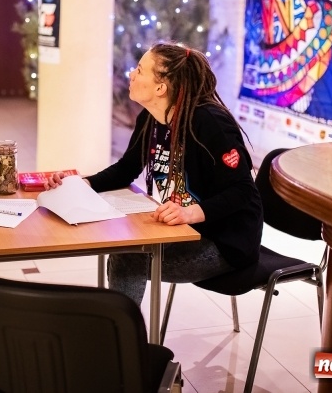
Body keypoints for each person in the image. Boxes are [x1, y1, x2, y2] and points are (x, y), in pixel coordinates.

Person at [46, 43, 264, 305]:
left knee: (127, 258)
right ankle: (119, 334)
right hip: (182, 230)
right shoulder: (150, 119)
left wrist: (190, 212)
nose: (131, 75)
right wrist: (81, 183)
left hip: (225, 243)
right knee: (123, 245)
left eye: (139, 70)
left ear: (161, 88)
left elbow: (243, 191)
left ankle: (123, 340)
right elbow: (127, 168)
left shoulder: (210, 123)